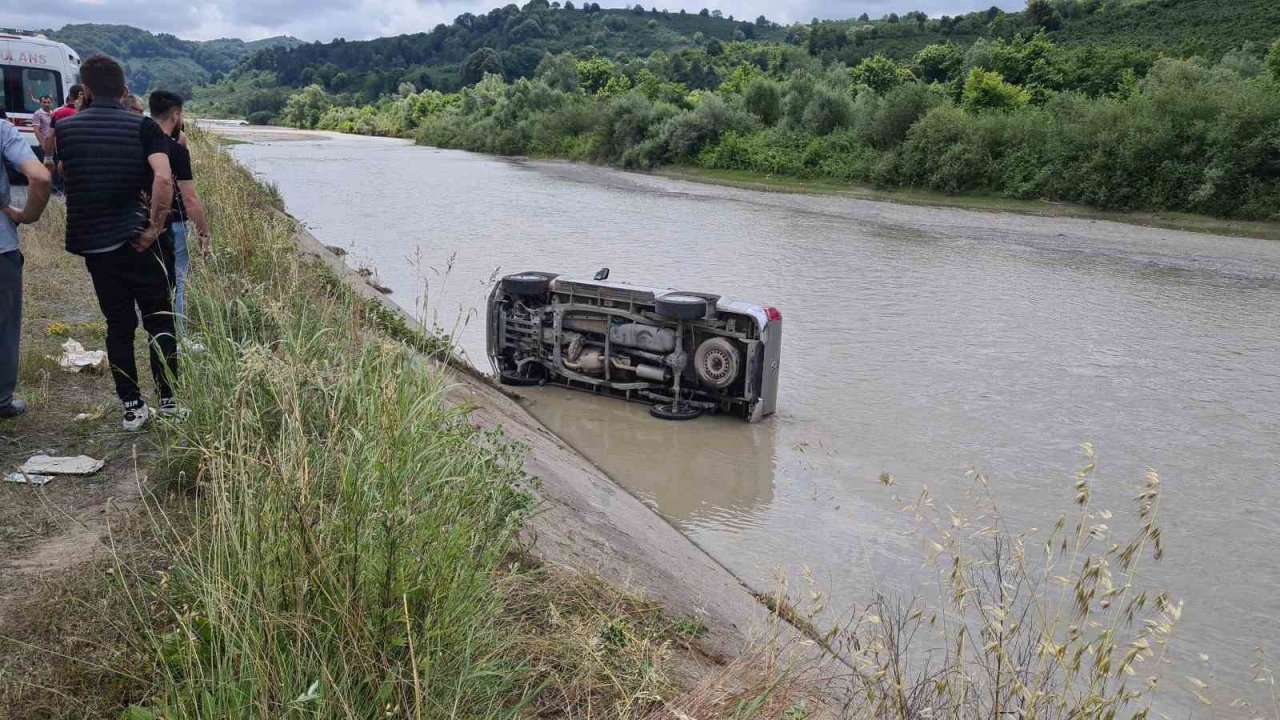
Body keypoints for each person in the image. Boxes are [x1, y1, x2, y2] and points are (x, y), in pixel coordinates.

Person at [55, 55, 179, 431]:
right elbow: (163, 178)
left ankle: (132, 406)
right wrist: (155, 228)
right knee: (159, 321)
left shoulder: (67, 130)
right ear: (125, 91)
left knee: (118, 325)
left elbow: (64, 173)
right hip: (141, 244)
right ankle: (170, 401)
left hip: (96, 245)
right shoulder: (143, 128)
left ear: (86, 90)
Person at [0, 120, 52, 419]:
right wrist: (27, 215)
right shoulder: (4, 131)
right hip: (1, 246)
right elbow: (41, 178)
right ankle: (1, 400)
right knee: (4, 326)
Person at [148, 91, 210, 337]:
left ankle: (158, 334)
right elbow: (190, 198)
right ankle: (179, 339)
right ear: (175, 115)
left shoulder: (143, 145)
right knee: (178, 283)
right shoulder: (176, 151)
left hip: (144, 224)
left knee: (154, 282)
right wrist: (204, 232)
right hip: (175, 225)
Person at [46, 85, 82, 195]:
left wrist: (47, 157)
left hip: (62, 151)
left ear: (69, 96)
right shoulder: (87, 112)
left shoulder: (58, 112)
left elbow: (50, 136)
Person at [31, 96, 53, 163]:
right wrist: (43, 145)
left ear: (51, 103)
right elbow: (36, 130)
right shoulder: (37, 114)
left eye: (48, 102)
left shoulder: (53, 113)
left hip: (53, 144)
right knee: (47, 165)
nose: (46, 104)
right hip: (45, 143)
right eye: (44, 102)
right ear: (40, 103)